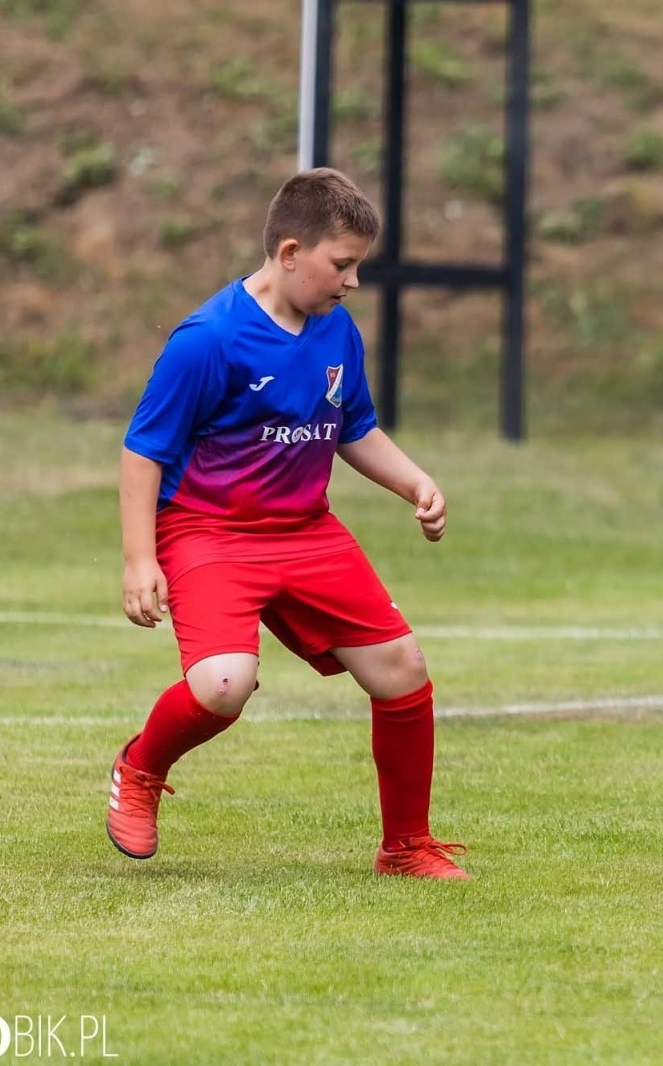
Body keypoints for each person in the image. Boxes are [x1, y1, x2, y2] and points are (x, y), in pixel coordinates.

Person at [108, 167, 469, 880]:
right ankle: (140, 767)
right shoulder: (207, 340)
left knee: (402, 669)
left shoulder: (337, 332)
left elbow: (354, 429)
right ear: (291, 252)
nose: (354, 282)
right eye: (343, 264)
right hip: (209, 533)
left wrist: (413, 482)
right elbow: (142, 452)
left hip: (306, 531)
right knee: (222, 686)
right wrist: (139, 561)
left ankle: (406, 847)